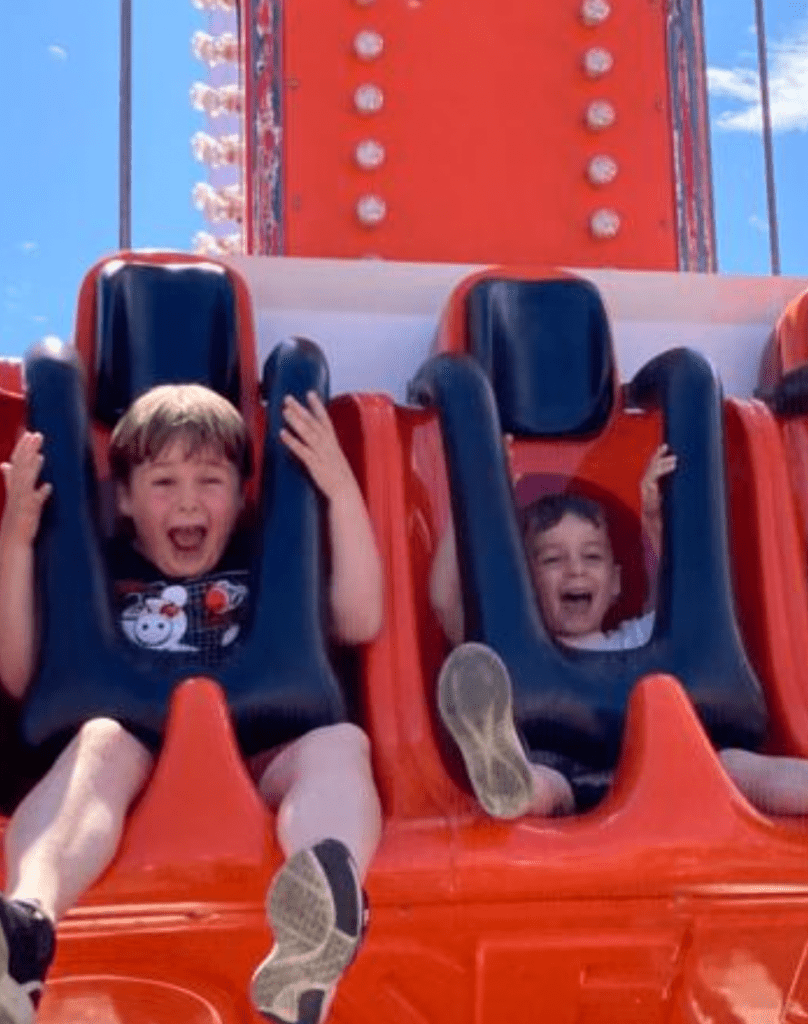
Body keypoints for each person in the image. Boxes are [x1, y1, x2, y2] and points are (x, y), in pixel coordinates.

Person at [0, 383, 384, 1024]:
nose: (187, 501)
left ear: (240, 495)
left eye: (210, 480)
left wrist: (339, 490)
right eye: (162, 482)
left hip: (263, 754)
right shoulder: (103, 576)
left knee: (340, 745)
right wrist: (16, 540)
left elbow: (360, 618)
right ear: (123, 497)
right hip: (138, 767)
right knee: (97, 742)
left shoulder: (267, 567)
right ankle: (25, 925)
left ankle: (323, 907)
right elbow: (18, 673)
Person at [430, 444, 808, 820]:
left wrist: (655, 525)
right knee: (543, 784)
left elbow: (685, 603)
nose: (575, 571)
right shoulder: (515, 643)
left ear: (616, 583)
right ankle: (505, 777)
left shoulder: (637, 639)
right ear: (526, 586)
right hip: (568, 771)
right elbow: (445, 601)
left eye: (591, 556)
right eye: (552, 559)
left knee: (740, 766)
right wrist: (473, 497)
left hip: (670, 762)